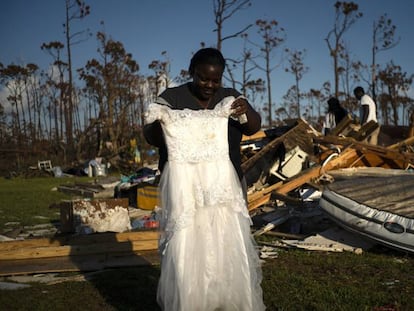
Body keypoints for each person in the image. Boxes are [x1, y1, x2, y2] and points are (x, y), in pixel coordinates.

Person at [143, 47, 265, 311]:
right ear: (192, 73)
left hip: (223, 181)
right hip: (184, 184)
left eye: (215, 80)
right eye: (203, 78)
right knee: (188, 242)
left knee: (225, 239)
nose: (209, 85)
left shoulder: (230, 98)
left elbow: (254, 126)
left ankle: (225, 295)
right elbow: (151, 136)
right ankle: (191, 298)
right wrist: (158, 120)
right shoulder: (171, 98)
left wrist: (244, 111)